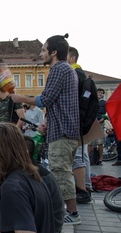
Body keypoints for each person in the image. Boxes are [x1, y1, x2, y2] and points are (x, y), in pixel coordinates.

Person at [11, 34, 82, 225]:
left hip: (63, 131)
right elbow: (58, 102)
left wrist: (21, 99)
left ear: (54, 52)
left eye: (43, 50)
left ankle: (71, 214)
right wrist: (47, 122)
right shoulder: (67, 70)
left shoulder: (59, 68)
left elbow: (46, 99)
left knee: (60, 171)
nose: (41, 53)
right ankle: (66, 211)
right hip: (64, 128)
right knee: (62, 170)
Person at [67, 46, 93, 204]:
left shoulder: (75, 73)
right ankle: (87, 186)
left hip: (75, 120)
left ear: (72, 58)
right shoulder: (80, 73)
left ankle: (83, 189)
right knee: (82, 155)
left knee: (78, 156)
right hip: (82, 120)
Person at [88, 88, 106, 165]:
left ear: (103, 94)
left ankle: (100, 159)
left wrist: (103, 118)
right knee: (90, 142)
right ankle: (90, 158)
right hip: (91, 123)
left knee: (100, 143)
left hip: (100, 123)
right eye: (98, 92)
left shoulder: (105, 103)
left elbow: (107, 113)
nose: (100, 94)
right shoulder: (92, 101)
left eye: (101, 93)